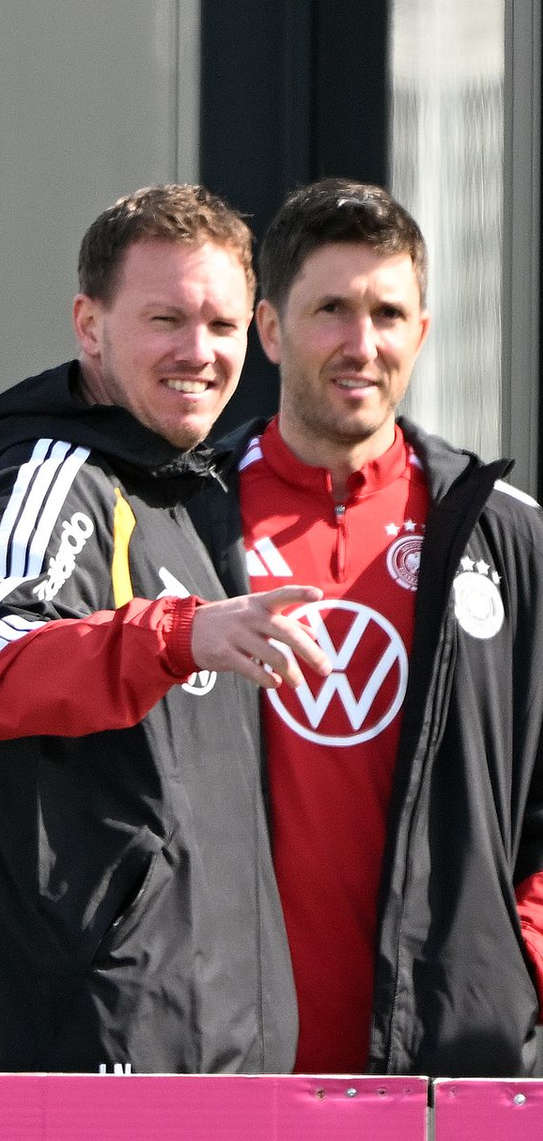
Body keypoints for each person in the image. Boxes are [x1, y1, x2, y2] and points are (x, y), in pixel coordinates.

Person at [0, 184, 331, 1072]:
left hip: (217, 1056)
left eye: (223, 326)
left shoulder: (177, 495)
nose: (200, 353)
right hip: (93, 1063)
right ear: (88, 325)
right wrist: (176, 635)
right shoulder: (53, 478)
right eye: (167, 321)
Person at [192, 177, 543, 1075]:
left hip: (446, 1066)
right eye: (332, 310)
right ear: (269, 330)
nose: (362, 343)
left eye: (389, 313)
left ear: (421, 332)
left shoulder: (503, 533)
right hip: (224, 1062)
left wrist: (515, 964)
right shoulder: (185, 520)